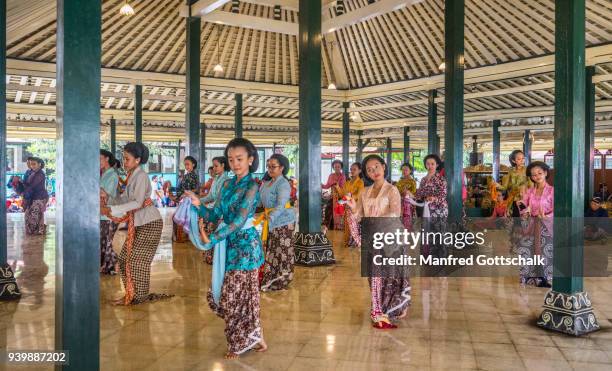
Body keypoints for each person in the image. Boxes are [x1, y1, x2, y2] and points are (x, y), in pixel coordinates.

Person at [186, 138, 266, 359]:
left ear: (250, 160)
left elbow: (239, 221)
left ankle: (240, 342)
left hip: (245, 247)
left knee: (232, 295)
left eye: (239, 159)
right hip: (227, 243)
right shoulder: (228, 184)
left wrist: (212, 238)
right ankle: (255, 335)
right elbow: (215, 214)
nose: (235, 163)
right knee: (237, 295)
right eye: (231, 159)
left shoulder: (252, 186)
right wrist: (198, 205)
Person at [101, 142, 172, 305]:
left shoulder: (141, 176)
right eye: (123, 159)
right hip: (139, 223)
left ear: (138, 160)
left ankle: (138, 297)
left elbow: (138, 203)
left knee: (136, 261)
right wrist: (108, 198)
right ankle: (130, 294)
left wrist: (111, 208)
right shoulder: (132, 175)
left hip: (150, 223)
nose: (124, 162)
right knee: (125, 259)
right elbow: (125, 199)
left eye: (127, 159)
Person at [347, 155, 410, 330]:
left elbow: (395, 214)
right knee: (375, 277)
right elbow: (359, 216)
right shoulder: (365, 192)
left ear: (383, 166)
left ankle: (394, 307)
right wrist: (353, 207)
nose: (373, 171)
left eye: (376, 167)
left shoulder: (392, 190)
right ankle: (379, 308)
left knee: (392, 276)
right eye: (369, 169)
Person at [257, 154, 296, 291]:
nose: (270, 169)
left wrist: (271, 217)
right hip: (271, 220)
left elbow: (281, 205)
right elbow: (259, 201)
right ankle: (270, 277)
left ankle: (282, 279)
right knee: (271, 250)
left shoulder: (283, 184)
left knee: (282, 251)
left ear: (282, 168)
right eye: (268, 166)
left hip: (284, 221)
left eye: (273, 167)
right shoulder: (267, 182)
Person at [517, 161, 553, 287]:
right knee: (525, 248)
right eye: (533, 175)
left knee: (545, 251)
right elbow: (524, 207)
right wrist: (523, 208)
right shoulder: (530, 191)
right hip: (531, 224)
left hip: (546, 226)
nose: (537, 176)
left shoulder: (552, 191)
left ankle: (548, 278)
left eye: (540, 173)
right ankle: (529, 277)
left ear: (546, 173)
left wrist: (546, 216)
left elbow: (556, 210)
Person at [100, 150, 120, 275]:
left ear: (107, 158)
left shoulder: (112, 174)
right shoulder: (103, 174)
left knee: (105, 241)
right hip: (101, 213)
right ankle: (108, 265)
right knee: (102, 242)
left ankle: (113, 263)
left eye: (99, 158)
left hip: (109, 214)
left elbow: (105, 195)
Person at [172, 156, 200, 242]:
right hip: (184, 199)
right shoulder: (186, 175)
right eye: (185, 165)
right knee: (174, 218)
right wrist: (171, 189)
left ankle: (181, 237)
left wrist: (186, 194)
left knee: (176, 218)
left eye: (188, 164)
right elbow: (180, 188)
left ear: (193, 164)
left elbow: (196, 189)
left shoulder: (194, 176)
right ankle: (178, 236)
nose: (186, 166)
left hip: (189, 200)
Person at [497, 150, 531, 217]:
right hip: (512, 199)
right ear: (513, 161)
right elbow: (505, 187)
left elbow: (531, 186)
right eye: (519, 159)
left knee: (524, 220)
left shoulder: (527, 170)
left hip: (524, 199)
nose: (522, 160)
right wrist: (497, 185)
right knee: (515, 220)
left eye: (523, 158)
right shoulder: (510, 171)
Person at [339, 162, 364, 248]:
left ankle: (357, 242)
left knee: (354, 225)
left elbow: (360, 195)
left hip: (355, 206)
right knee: (347, 225)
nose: (352, 171)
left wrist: (350, 196)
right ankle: (349, 241)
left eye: (354, 169)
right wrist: (338, 188)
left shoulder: (360, 182)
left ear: (359, 171)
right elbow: (343, 193)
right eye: (351, 169)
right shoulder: (347, 182)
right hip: (347, 205)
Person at [23, 157, 48, 235]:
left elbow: (31, 186)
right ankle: (39, 230)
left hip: (40, 198)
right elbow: (26, 185)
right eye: (30, 164)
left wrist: (22, 189)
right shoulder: (30, 172)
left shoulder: (40, 174)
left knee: (34, 217)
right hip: (32, 198)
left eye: (34, 164)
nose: (32, 166)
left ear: (39, 164)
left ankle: (39, 231)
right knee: (28, 216)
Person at [322, 160, 346, 231]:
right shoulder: (331, 175)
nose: (337, 168)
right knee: (328, 210)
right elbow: (327, 186)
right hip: (332, 196)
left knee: (338, 212)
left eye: (338, 167)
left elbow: (342, 188)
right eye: (335, 167)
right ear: (333, 167)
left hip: (340, 197)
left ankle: (338, 227)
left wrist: (336, 185)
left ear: (341, 167)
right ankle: (329, 227)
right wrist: (320, 184)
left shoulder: (343, 176)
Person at [395, 163, 417, 229]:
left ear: (410, 171)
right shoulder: (400, 181)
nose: (404, 171)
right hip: (399, 202)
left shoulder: (412, 181)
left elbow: (413, 195)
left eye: (406, 170)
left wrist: (407, 193)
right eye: (402, 170)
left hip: (407, 203)